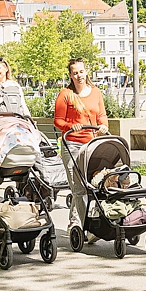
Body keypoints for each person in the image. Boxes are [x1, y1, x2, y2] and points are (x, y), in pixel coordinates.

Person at [53, 58, 109, 228]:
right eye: (75, 72)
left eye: (81, 71)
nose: (79, 75)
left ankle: (86, 222)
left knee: (92, 186)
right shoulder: (65, 94)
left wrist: (104, 126)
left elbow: (101, 115)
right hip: (72, 145)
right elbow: (58, 121)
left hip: (90, 145)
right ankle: (77, 223)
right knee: (78, 188)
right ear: (70, 75)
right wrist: (71, 126)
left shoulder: (95, 92)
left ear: (86, 72)